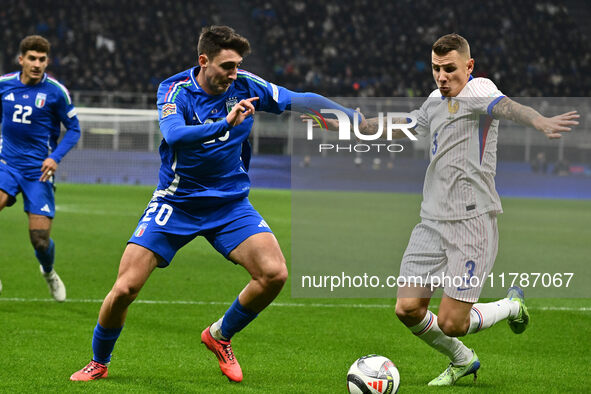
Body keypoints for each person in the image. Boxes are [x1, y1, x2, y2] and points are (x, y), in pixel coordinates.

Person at [70, 25, 359, 383]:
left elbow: (299, 98)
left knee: (274, 274)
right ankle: (99, 362)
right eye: (227, 66)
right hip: (176, 202)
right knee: (125, 288)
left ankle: (220, 335)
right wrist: (225, 122)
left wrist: (351, 117)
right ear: (203, 61)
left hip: (229, 204)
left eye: (237, 65)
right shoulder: (174, 90)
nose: (234, 74)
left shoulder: (246, 84)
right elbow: (174, 135)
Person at [356, 33, 578, 386]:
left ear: (469, 66)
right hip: (431, 222)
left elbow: (510, 107)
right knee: (408, 308)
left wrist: (538, 121)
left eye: (450, 69)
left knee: (452, 322)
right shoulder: (433, 101)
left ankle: (510, 306)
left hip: (471, 223)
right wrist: (358, 127)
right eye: (435, 69)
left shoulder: (479, 92)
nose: (442, 77)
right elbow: (405, 126)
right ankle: (463, 359)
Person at [0, 35, 81, 302]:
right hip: (6, 165)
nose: (37, 64)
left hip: (39, 172)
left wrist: (55, 157)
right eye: (32, 58)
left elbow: (74, 130)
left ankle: (48, 272)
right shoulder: (4, 86)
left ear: (47, 61)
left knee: (40, 240)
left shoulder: (56, 92)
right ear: (21, 59)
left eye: (42, 59)